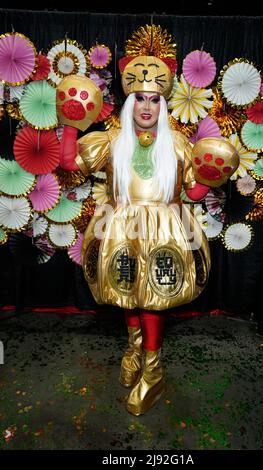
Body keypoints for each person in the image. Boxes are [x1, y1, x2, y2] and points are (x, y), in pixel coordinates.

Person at [57, 55, 211, 416]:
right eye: (139, 98)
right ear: (129, 103)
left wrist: (211, 172)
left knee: (151, 298)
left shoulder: (178, 144)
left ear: (163, 104)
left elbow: (196, 193)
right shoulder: (112, 140)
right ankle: (135, 348)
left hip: (164, 230)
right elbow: (68, 164)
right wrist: (69, 121)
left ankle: (153, 369)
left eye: (154, 99)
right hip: (122, 228)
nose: (146, 106)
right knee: (127, 291)